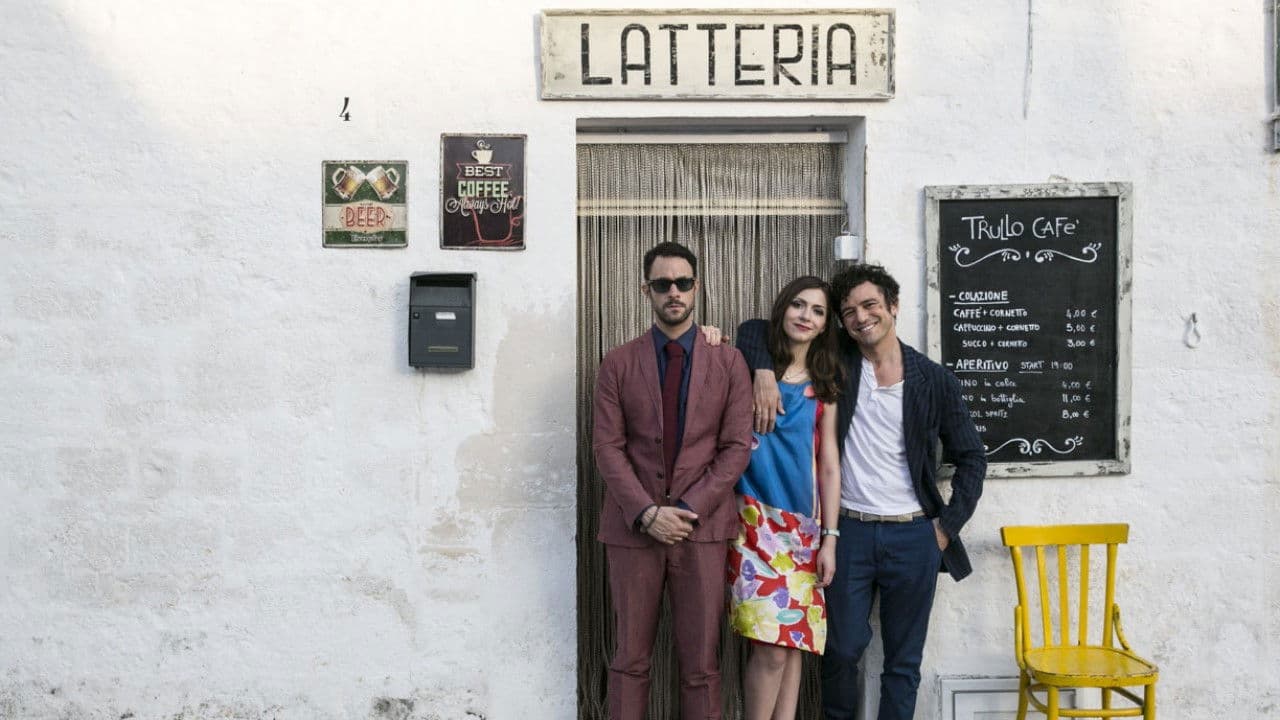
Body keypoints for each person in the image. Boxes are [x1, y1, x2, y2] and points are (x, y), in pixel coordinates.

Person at [737, 263, 985, 720]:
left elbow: (972, 458)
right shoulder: (839, 365)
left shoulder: (934, 380)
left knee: (903, 664)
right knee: (841, 650)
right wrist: (762, 371)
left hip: (915, 535)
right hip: (848, 530)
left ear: (893, 307)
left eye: (870, 305)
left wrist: (944, 529)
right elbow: (756, 329)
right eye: (849, 311)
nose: (861, 317)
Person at [592, 241, 753, 720]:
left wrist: (686, 509)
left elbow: (736, 448)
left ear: (696, 287)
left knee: (702, 666)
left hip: (701, 530)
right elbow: (607, 447)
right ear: (646, 291)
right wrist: (646, 513)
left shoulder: (729, 362)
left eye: (683, 282)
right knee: (629, 661)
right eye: (662, 284)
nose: (674, 292)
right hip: (633, 530)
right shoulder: (618, 362)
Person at [728, 276, 843, 720]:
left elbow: (829, 464)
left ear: (825, 324)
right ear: (783, 308)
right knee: (771, 650)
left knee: (793, 644)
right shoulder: (749, 367)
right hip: (752, 525)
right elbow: (748, 329)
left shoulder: (825, 385)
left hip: (803, 532)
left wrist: (830, 538)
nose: (805, 316)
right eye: (798, 304)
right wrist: (761, 370)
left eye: (817, 311)